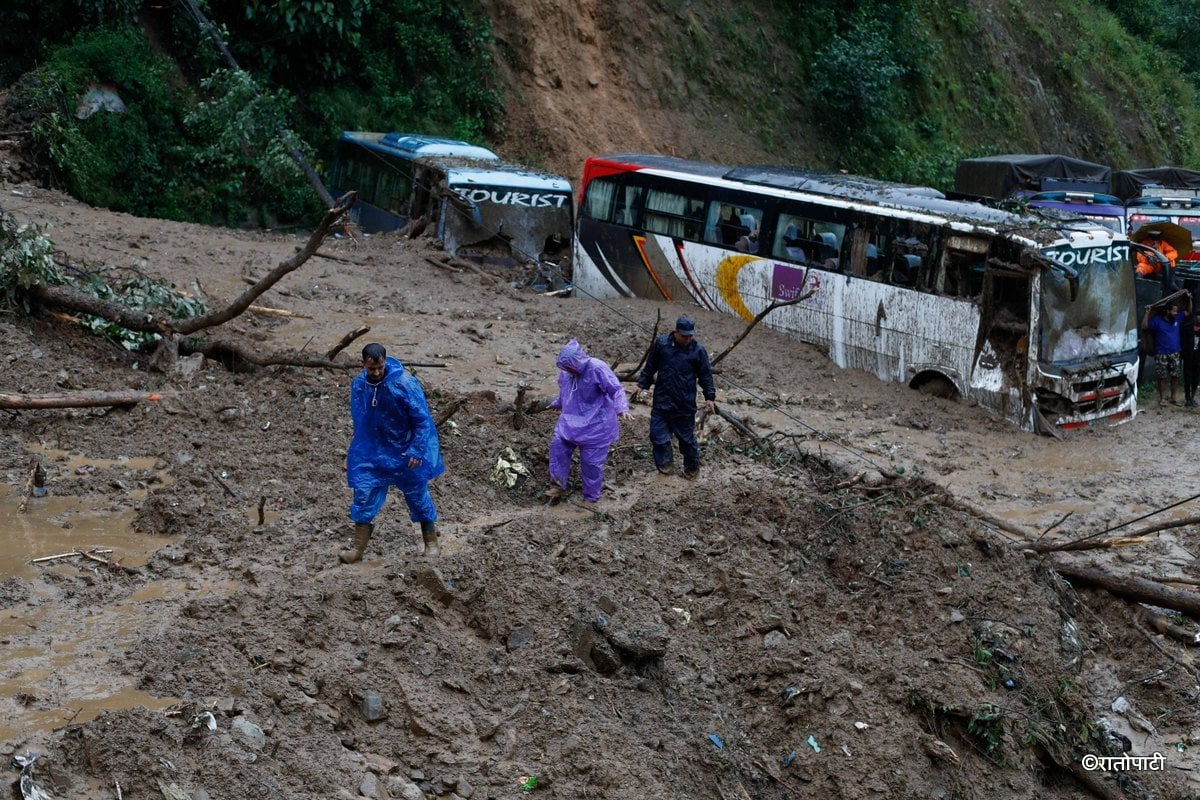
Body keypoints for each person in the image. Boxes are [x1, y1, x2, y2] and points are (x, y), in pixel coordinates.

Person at [342, 342, 445, 563]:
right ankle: (358, 549)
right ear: (363, 364)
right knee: (363, 493)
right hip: (372, 450)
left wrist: (417, 449)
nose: (377, 372)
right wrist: (356, 453)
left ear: (385, 361)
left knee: (417, 495)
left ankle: (430, 541)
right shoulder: (359, 384)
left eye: (380, 367)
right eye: (371, 369)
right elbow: (360, 420)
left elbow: (421, 420)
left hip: (404, 449)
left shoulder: (404, 383)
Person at [546, 338, 633, 507]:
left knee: (591, 464)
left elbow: (616, 390)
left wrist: (622, 408)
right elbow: (568, 392)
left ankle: (590, 498)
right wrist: (557, 403)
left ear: (578, 361)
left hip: (596, 426)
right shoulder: (567, 373)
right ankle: (557, 487)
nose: (568, 369)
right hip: (570, 422)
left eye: (570, 366)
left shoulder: (597, 368)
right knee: (558, 447)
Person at [633, 316, 716, 479]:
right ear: (676, 332)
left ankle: (691, 468)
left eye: (690, 335)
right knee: (658, 435)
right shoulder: (662, 345)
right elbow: (651, 366)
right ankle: (665, 465)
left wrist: (709, 397)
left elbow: (705, 375)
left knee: (686, 440)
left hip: (684, 405)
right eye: (684, 335)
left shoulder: (698, 351)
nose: (688, 339)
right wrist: (641, 384)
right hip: (662, 401)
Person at [1143, 296, 1191, 406]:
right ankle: (1163, 398)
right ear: (1167, 311)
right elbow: (1145, 326)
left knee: (1175, 376)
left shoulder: (1178, 318)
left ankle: (1174, 398)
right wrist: (1147, 313)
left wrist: (1189, 299)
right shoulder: (1157, 320)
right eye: (1174, 311)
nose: (1176, 313)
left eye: (1176, 311)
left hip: (1175, 353)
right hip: (1161, 353)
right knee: (1162, 377)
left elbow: (1189, 311)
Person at [1184, 297, 1200, 407]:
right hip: (1188, 357)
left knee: (1195, 379)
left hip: (1198, 359)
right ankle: (1187, 399)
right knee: (1187, 379)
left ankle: (1192, 398)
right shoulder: (1188, 328)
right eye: (1198, 317)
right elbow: (1183, 342)